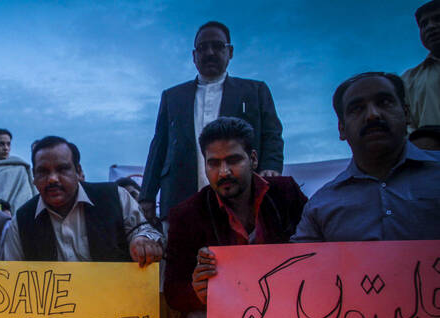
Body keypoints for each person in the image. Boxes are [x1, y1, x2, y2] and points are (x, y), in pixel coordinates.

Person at [163, 117, 307, 318]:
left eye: (233, 160)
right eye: (213, 163)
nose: (224, 172)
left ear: (252, 159)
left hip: (288, 310)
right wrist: (198, 290)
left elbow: (318, 255)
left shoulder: (285, 194)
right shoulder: (187, 214)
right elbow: (173, 292)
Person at [139, 21, 284, 228]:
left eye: (217, 46)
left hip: (241, 199)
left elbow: (272, 135)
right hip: (180, 199)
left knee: (240, 259)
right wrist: (147, 195)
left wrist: (270, 168)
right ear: (194, 56)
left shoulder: (254, 91)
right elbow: (159, 146)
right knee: (180, 258)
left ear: (230, 52)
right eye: (202, 48)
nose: (209, 52)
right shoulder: (173, 97)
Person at [292, 72, 440, 242]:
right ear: (341, 129)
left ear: (406, 114)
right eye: (357, 108)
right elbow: (300, 264)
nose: (373, 115)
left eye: (384, 102)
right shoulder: (320, 206)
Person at [1, 135, 164, 263]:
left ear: (78, 172)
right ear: (34, 178)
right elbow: (11, 276)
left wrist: (143, 241)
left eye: (62, 169)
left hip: (114, 303)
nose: (52, 179)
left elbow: (145, 230)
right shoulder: (22, 221)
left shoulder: (115, 197)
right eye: (43, 172)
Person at [402, 0, 440, 131]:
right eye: (424, 24)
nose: (430, 27)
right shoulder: (407, 80)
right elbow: (405, 128)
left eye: (437, 19)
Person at [0, 128, 36, 213]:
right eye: (1, 144)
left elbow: (28, 196)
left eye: (8, 144)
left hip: (19, 218)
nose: (6, 148)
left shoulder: (20, 167)